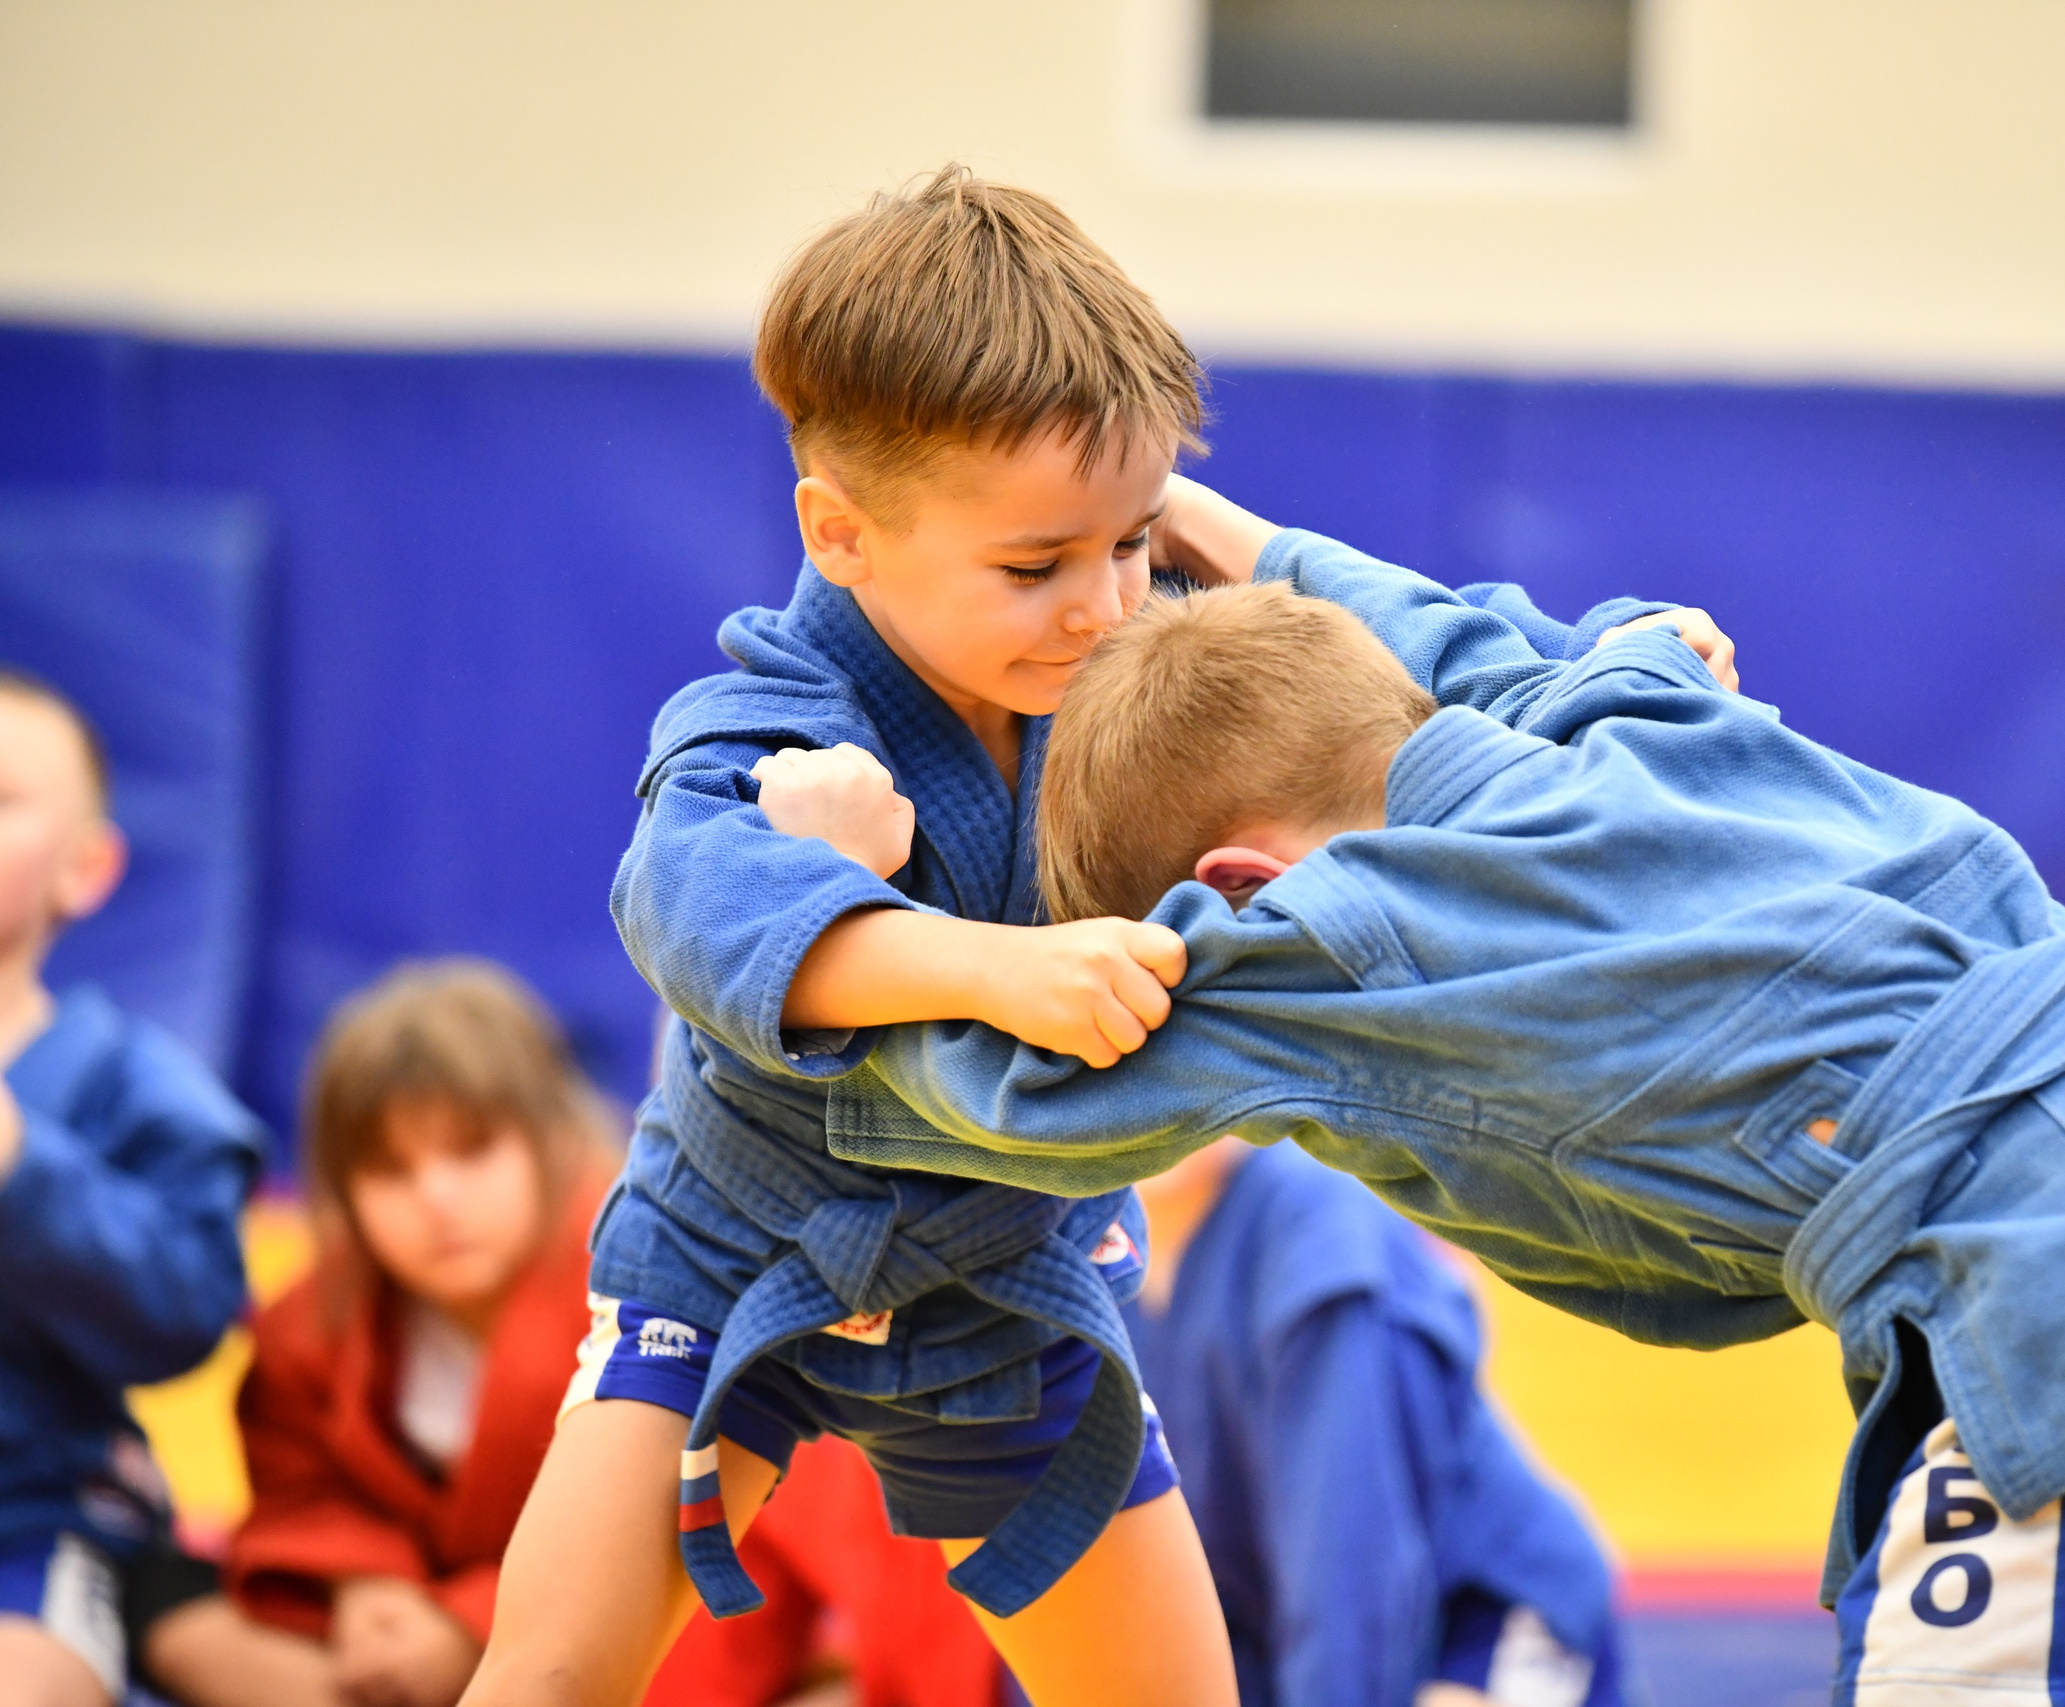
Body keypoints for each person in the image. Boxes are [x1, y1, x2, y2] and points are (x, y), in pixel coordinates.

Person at [463, 167, 1730, 1707]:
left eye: (1131, 542)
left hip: (1005, 1277)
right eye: (1035, 566)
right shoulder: (778, 724)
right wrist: (985, 958)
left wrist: (1600, 666)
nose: (1100, 605)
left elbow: (1362, 665)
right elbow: (697, 906)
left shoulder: (1141, 648)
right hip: (736, 1248)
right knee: (548, 1668)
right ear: (841, 534)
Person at [800, 568, 2065, 1707]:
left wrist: (828, 897)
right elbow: (1481, 629)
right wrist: (1207, 530)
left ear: (1232, 890)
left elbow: (1001, 1087)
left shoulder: (1336, 930)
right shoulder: (1625, 717)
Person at [139, 960, 1003, 1707]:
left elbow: (687, 1518)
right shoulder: (315, 1324)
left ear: (548, 1141)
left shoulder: (654, 1281)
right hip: (402, 1640)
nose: (436, 1199)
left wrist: (469, 1622)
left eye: (471, 1152)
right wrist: (365, 1584)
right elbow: (300, 1488)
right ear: (340, 1191)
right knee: (182, 1624)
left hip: (640, 1639)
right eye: (392, 1170)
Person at [1128, 1137, 1624, 1707]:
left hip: (1481, 1616)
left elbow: (1348, 1574)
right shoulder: (1094, 1244)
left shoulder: (1318, 1228)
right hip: (1282, 1638)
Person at [0, 670, 264, 1707]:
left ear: (86, 868)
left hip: (29, 1532)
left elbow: (187, 1309)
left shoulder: (127, 1082)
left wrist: (24, 1170)